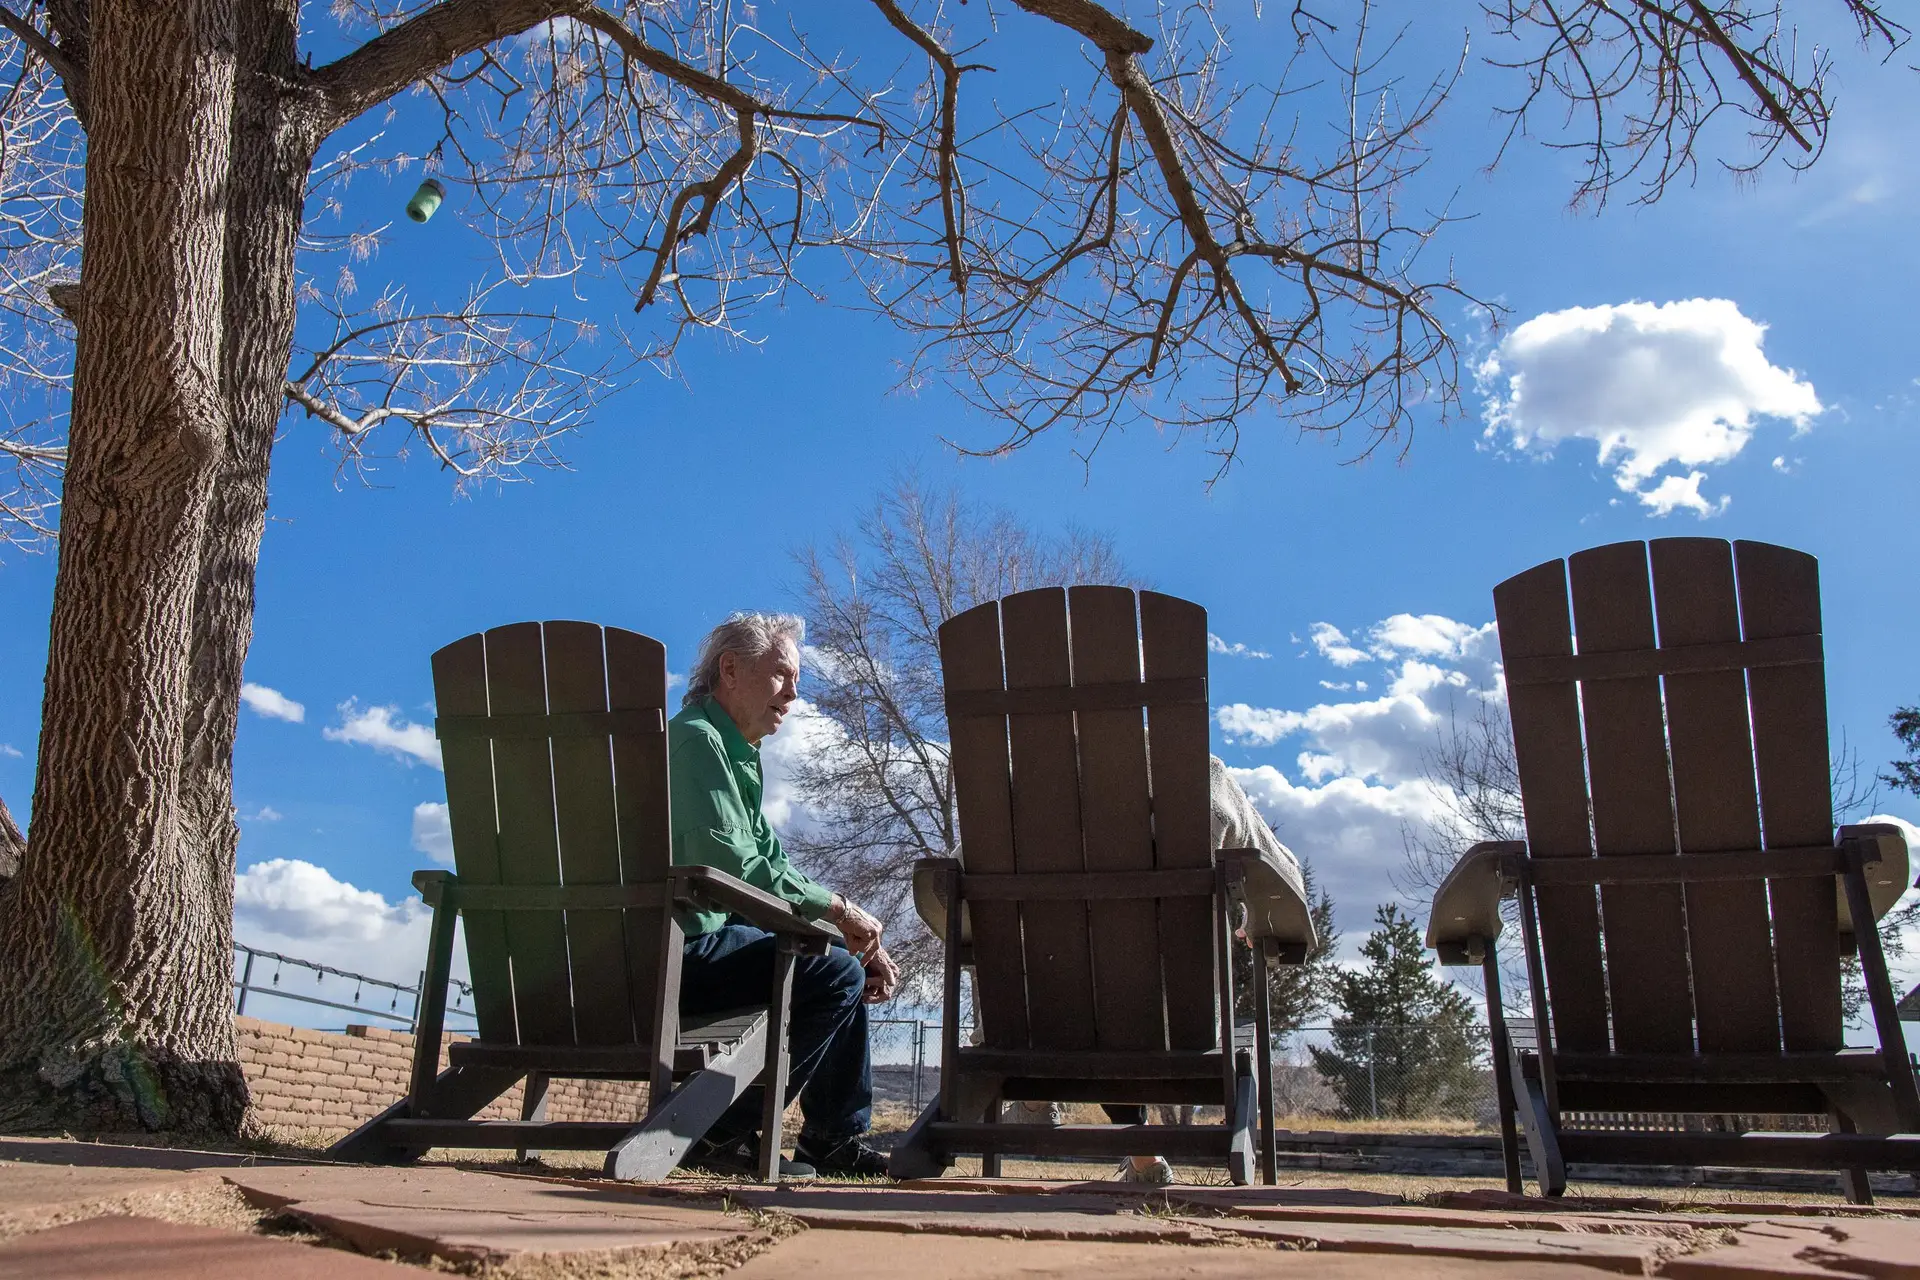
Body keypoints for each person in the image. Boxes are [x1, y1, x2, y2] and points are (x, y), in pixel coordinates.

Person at [669, 612, 900, 1179]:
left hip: (682, 945)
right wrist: (840, 913)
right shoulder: (697, 743)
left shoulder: (731, 753)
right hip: (676, 953)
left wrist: (842, 926)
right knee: (834, 972)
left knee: (838, 961)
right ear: (730, 668)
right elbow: (734, 866)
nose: (793, 693)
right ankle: (718, 1130)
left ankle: (831, 1139)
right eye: (781, 675)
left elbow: (771, 862)